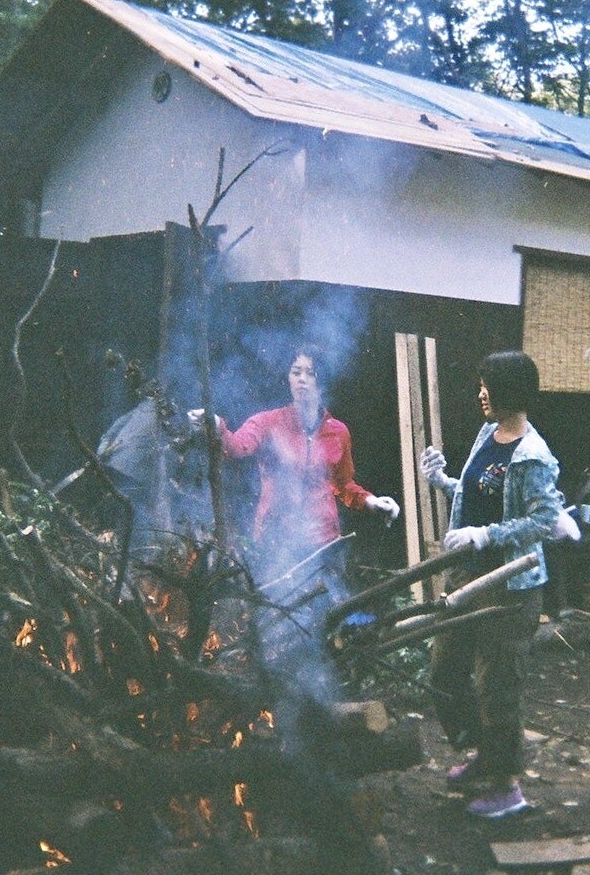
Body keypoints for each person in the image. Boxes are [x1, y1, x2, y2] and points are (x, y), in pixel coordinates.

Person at [419, 350, 565, 819]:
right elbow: (479, 494)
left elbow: (543, 520)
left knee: (497, 686)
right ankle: (485, 753)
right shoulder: (489, 434)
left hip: (511, 584)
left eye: (488, 387)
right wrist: (442, 481)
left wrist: (486, 536)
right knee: (444, 671)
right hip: (469, 573)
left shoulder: (533, 455)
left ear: (511, 392)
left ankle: (506, 785)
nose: (481, 394)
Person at [193, 345, 399, 592]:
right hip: (276, 543)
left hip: (323, 545)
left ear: (322, 381)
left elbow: (343, 485)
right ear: (289, 378)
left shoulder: (338, 431)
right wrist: (216, 425)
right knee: (276, 607)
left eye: (310, 373)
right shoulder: (268, 422)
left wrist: (372, 502)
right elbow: (237, 446)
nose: (302, 379)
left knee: (325, 609)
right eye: (296, 372)